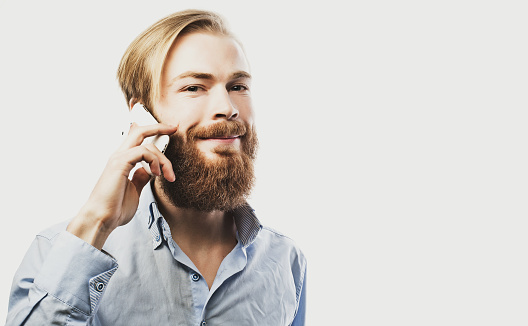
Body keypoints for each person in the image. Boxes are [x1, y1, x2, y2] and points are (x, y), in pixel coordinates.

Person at [6, 9, 306, 326]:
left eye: (238, 86)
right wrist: (95, 223)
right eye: (194, 87)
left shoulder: (286, 262)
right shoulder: (58, 254)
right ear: (144, 115)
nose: (227, 108)